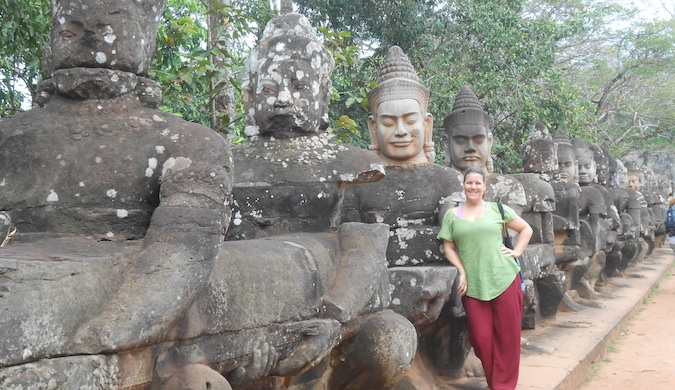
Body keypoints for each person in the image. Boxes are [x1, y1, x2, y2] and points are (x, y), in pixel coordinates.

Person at [437, 166, 533, 390]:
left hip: (504, 277)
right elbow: (448, 248)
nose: (473, 187)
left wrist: (516, 252)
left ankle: (502, 386)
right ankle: (496, 381)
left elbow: (526, 229)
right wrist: (461, 271)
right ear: (463, 185)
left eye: (478, 183)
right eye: (469, 183)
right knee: (480, 339)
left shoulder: (498, 210)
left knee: (508, 338)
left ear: (484, 187)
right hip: (472, 284)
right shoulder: (452, 216)